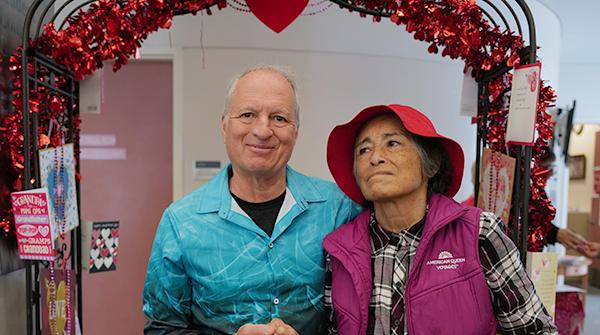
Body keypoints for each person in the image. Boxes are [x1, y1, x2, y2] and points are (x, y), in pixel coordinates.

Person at [143, 65, 359, 335]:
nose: (262, 130)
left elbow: (364, 315)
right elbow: (163, 329)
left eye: (279, 118)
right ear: (224, 125)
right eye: (247, 115)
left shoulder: (338, 209)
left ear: (296, 131)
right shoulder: (182, 222)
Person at [322, 104, 558, 334]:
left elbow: (536, 329)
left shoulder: (479, 233)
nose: (374, 158)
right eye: (363, 150)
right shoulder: (339, 250)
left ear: (431, 164)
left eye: (392, 143)